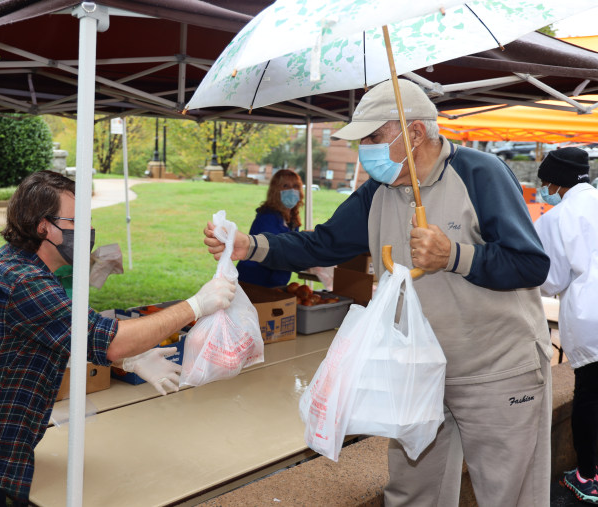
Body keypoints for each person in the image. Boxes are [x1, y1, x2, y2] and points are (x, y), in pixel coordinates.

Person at [204, 79, 553, 506]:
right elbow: (323, 244)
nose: (363, 149)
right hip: (417, 370)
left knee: (508, 494)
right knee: (411, 492)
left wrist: (455, 255)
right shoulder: (378, 191)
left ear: (415, 133)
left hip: (496, 369)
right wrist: (250, 246)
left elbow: (531, 263)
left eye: (372, 137)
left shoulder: (480, 174)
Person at [0, 170, 236, 506]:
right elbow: (107, 339)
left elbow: (59, 332)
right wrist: (195, 305)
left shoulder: (17, 266)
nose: (87, 231)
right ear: (43, 226)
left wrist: (129, 358)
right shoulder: (22, 282)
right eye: (76, 221)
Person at [533, 147, 598, 504]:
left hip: (592, 320)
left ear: (555, 182)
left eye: (545, 182)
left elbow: (551, 281)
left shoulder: (557, 219)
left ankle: (587, 476)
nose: (544, 189)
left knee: (588, 397)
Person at [237, 168, 303, 287]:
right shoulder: (267, 217)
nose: (292, 190)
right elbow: (274, 251)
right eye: (285, 186)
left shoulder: (292, 219)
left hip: (275, 282)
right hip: (254, 281)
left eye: (295, 186)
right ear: (276, 191)